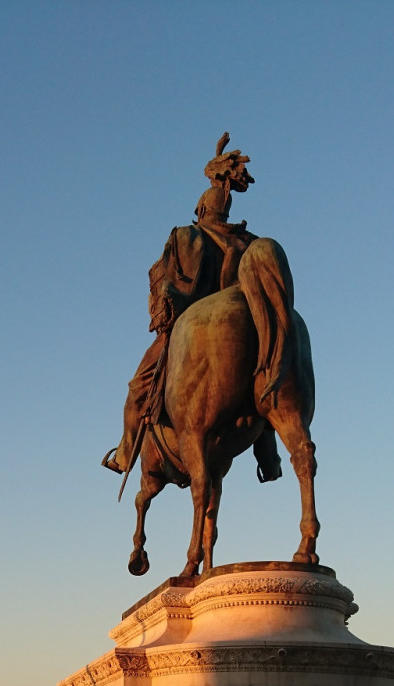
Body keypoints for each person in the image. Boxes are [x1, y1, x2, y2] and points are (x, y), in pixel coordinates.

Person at [101, 133, 281, 484]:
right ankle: (270, 458)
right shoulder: (248, 242)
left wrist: (166, 316)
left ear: (201, 210)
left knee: (138, 386)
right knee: (263, 377)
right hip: (249, 326)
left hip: (193, 326)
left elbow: (173, 287)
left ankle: (124, 454)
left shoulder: (187, 235)